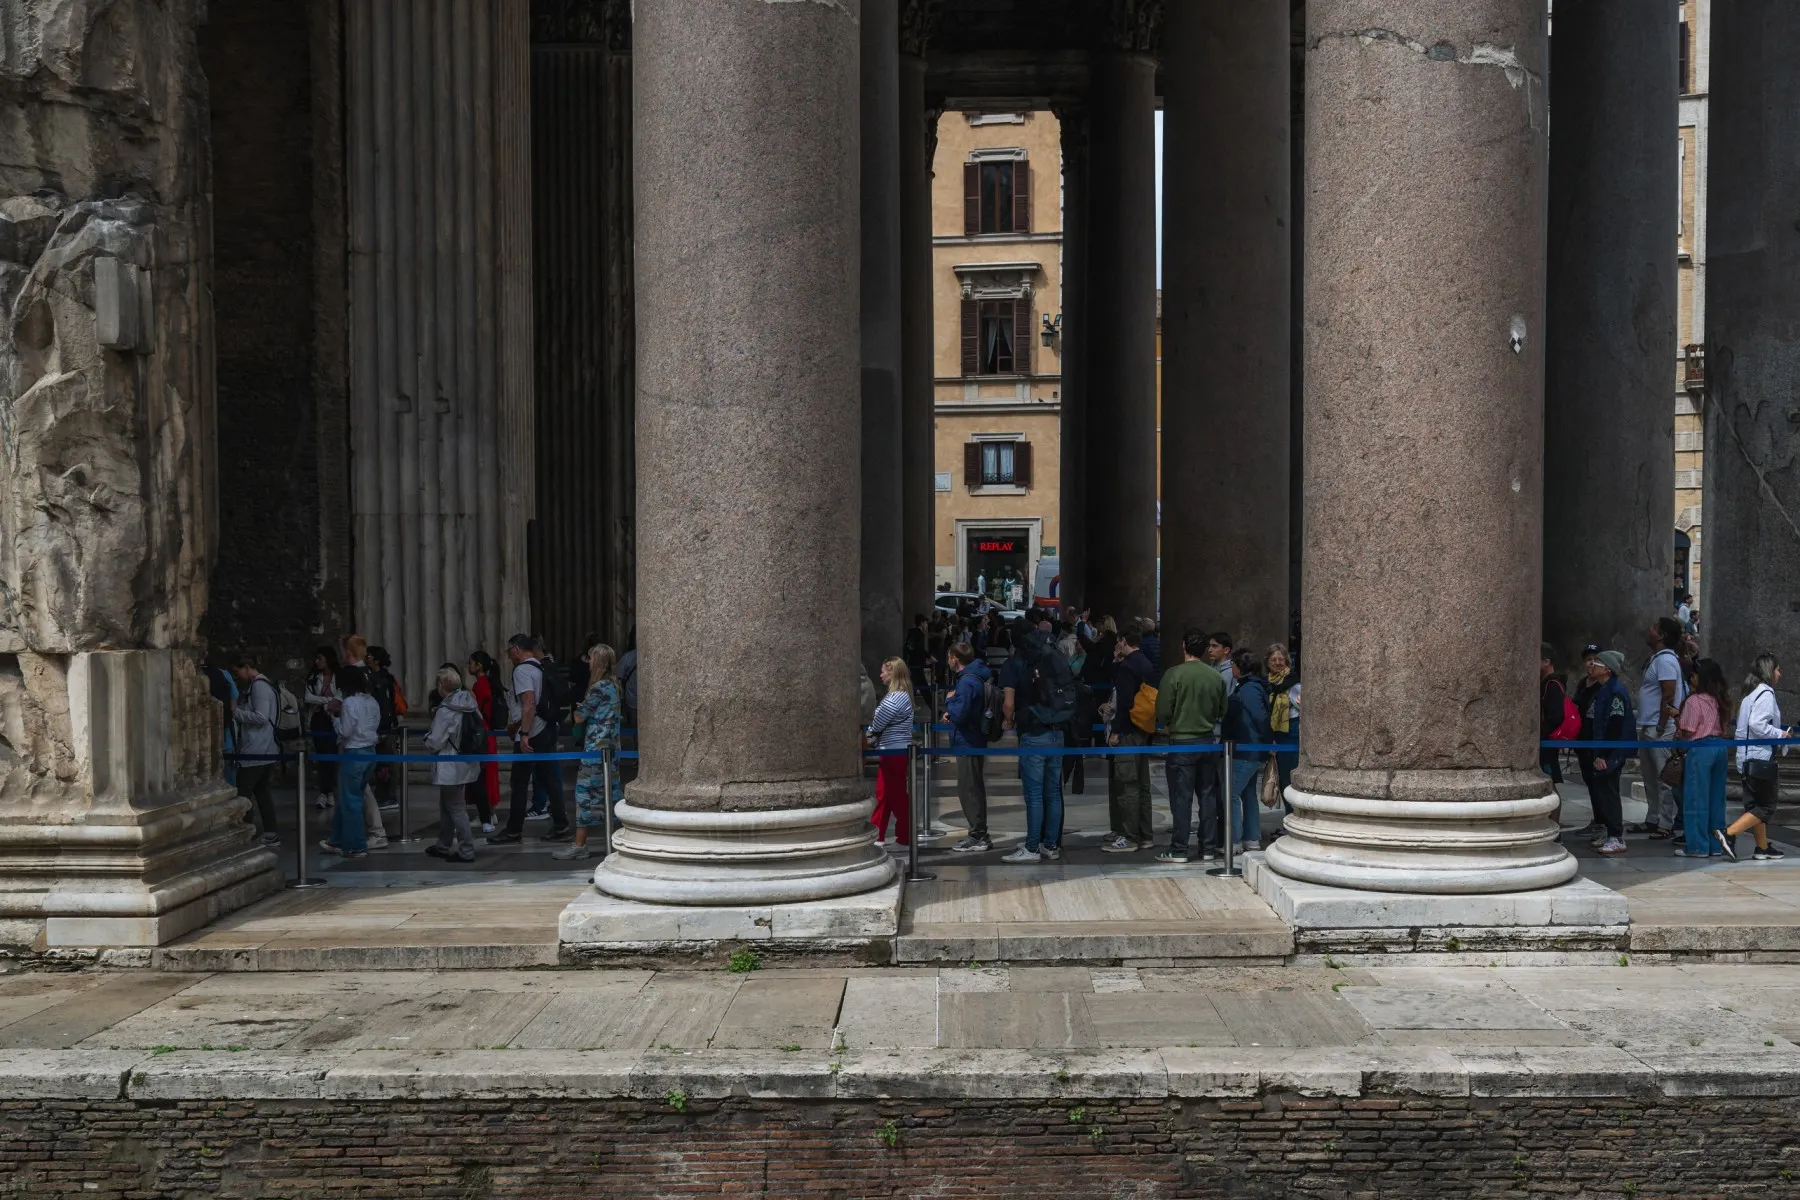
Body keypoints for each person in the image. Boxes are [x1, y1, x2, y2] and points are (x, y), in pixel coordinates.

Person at [1155, 629, 1230, 864]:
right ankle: (1207, 847)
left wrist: (1170, 722)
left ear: (1184, 646)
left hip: (1182, 742)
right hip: (1208, 741)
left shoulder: (1174, 674)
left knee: (1181, 798)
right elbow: (1222, 710)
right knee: (1207, 796)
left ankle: (1179, 848)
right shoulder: (1215, 676)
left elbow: (1163, 711)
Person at [489, 633, 572, 844]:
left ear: (517, 649)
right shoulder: (541, 667)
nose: (509, 656)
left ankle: (514, 829)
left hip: (532, 733)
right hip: (546, 729)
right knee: (549, 780)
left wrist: (523, 733)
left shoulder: (523, 670)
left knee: (519, 782)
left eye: (509, 652)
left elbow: (529, 703)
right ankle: (561, 825)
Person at [1000, 619, 1069, 862]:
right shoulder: (1049, 660)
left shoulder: (1015, 663)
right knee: (1052, 791)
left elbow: (1008, 703)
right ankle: (1050, 844)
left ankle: (1031, 846)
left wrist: (1008, 721)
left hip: (1033, 733)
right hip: (1057, 732)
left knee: (1034, 794)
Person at [1719, 653, 1790, 861]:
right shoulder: (1766, 694)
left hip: (1748, 758)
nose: (1780, 673)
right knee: (1765, 806)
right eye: (1777, 669)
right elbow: (1757, 725)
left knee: (1755, 805)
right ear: (1769, 671)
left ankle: (1762, 847)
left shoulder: (1750, 695)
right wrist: (1780, 734)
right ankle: (1729, 833)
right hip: (1759, 758)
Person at [557, 643, 624, 862]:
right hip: (611, 749)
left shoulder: (598, 688)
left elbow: (579, 716)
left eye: (591, 658)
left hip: (595, 750)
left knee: (584, 795)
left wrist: (578, 708)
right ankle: (618, 841)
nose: (589, 662)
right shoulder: (615, 686)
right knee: (611, 796)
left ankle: (580, 845)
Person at [1101, 630, 1158, 853]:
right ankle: (1145, 835)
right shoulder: (1146, 663)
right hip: (1144, 730)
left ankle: (1129, 836)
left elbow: (1124, 703)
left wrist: (1115, 731)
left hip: (1128, 732)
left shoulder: (1127, 668)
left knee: (1127, 786)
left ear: (1124, 641)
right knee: (1142, 785)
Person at [1632, 617, 1688, 839]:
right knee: (1649, 776)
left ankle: (1665, 822)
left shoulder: (1665, 660)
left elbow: (1668, 692)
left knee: (1664, 778)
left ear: (1662, 635)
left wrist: (1662, 724)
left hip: (1660, 727)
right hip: (1650, 725)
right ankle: (1653, 818)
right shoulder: (1658, 658)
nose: (1650, 629)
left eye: (1654, 627)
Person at [421, 665, 482, 862]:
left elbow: (436, 740)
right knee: (448, 805)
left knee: (455, 807)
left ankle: (466, 850)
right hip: (466, 760)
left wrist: (427, 739)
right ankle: (444, 843)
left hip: (450, 763)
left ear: (440, 685)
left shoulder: (445, 710)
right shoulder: (469, 702)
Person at [1675, 657, 1730, 859]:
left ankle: (1697, 845)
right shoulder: (1720, 700)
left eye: (1695, 674)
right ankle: (1716, 844)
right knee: (1716, 799)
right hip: (1720, 748)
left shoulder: (1694, 701)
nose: (1692, 678)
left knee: (1696, 798)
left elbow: (1687, 730)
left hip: (1701, 748)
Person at [322, 665, 379, 859]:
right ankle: (337, 838)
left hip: (354, 753)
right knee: (349, 798)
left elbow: (345, 731)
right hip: (370, 752)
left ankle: (356, 845)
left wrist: (334, 718)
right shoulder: (372, 701)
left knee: (351, 802)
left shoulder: (349, 703)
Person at [943, 642, 993, 853]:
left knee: (969, 788)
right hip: (973, 739)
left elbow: (960, 713)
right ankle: (978, 832)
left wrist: (949, 702)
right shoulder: (977, 677)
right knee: (972, 786)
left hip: (967, 740)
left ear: (955, 658)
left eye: (949, 656)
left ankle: (978, 834)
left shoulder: (966, 682)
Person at [1222, 649, 1273, 853]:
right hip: (1250, 747)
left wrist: (1267, 743)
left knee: (1231, 793)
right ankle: (1251, 838)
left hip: (1247, 748)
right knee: (1247, 794)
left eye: (1233, 663)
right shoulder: (1250, 686)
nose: (1231, 667)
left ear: (1240, 666)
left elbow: (1260, 718)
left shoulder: (1249, 689)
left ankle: (1234, 840)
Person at [1585, 650, 1635, 856]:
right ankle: (1609, 831)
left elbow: (1615, 724)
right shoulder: (1605, 689)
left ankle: (1617, 836)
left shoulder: (1615, 691)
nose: (1591, 666)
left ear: (1606, 669)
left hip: (1611, 752)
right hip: (1605, 749)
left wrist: (1604, 755)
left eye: (1596, 663)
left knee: (1610, 792)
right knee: (1603, 792)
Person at [230, 655, 283, 845]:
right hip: (265, 748)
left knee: (244, 792)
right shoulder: (262, 685)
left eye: (238, 672)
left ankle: (245, 831)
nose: (238, 677)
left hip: (257, 748)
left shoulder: (259, 687)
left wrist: (236, 713)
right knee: (262, 792)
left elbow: (261, 716)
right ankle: (270, 832)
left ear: (247, 667)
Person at [867, 657, 915, 846]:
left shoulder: (896, 697)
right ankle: (878, 832)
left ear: (892, 673)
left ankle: (905, 833)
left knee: (896, 796)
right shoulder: (901, 695)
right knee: (885, 795)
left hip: (893, 752)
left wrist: (870, 734)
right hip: (893, 751)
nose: (880, 675)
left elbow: (878, 722)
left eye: (883, 671)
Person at [465, 651, 505, 834]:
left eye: (471, 663)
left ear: (479, 665)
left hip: (482, 733)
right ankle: (491, 810)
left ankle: (487, 812)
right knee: (489, 772)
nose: (468, 666)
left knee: (483, 775)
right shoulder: (489, 682)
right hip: (490, 733)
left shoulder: (480, 684)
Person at [1569, 643, 1605, 839]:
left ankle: (1605, 821)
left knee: (1600, 782)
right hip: (1582, 740)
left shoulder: (1604, 685)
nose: (1591, 663)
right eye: (1588, 659)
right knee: (1590, 781)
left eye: (1595, 659)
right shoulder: (1583, 683)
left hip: (1597, 741)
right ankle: (1598, 819)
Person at [303, 646, 338, 810]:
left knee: (332, 754)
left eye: (320, 659)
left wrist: (328, 700)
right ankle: (325, 791)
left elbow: (340, 696)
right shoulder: (313, 676)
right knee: (322, 755)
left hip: (334, 719)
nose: (317, 662)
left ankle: (330, 791)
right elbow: (308, 697)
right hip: (319, 719)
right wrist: (327, 700)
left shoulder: (338, 676)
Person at [1266, 643, 1299, 799]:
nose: (1277, 663)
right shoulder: (1268, 683)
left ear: (1287, 661)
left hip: (1289, 732)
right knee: (1280, 777)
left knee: (1287, 777)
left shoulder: (1293, 683)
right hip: (1275, 733)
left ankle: (1290, 815)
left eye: (1281, 659)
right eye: (1273, 659)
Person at [1540, 644, 1569, 785]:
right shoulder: (1545, 683)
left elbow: (1556, 716)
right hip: (1546, 741)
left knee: (1550, 784)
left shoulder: (1551, 685)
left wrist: (1541, 733)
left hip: (1547, 742)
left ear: (1546, 662)